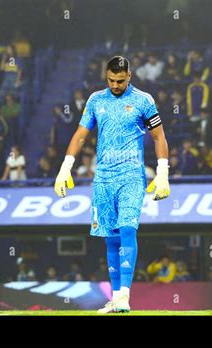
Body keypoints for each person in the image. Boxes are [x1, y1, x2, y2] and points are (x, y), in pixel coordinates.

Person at [53, 56, 170, 313]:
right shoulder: (96, 100)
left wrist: (163, 172)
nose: (115, 85)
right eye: (111, 80)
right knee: (110, 239)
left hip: (131, 176)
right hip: (103, 178)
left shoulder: (144, 100)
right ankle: (116, 299)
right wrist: (65, 168)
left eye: (120, 80)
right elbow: (80, 135)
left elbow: (159, 136)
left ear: (129, 76)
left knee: (127, 229)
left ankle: (125, 296)